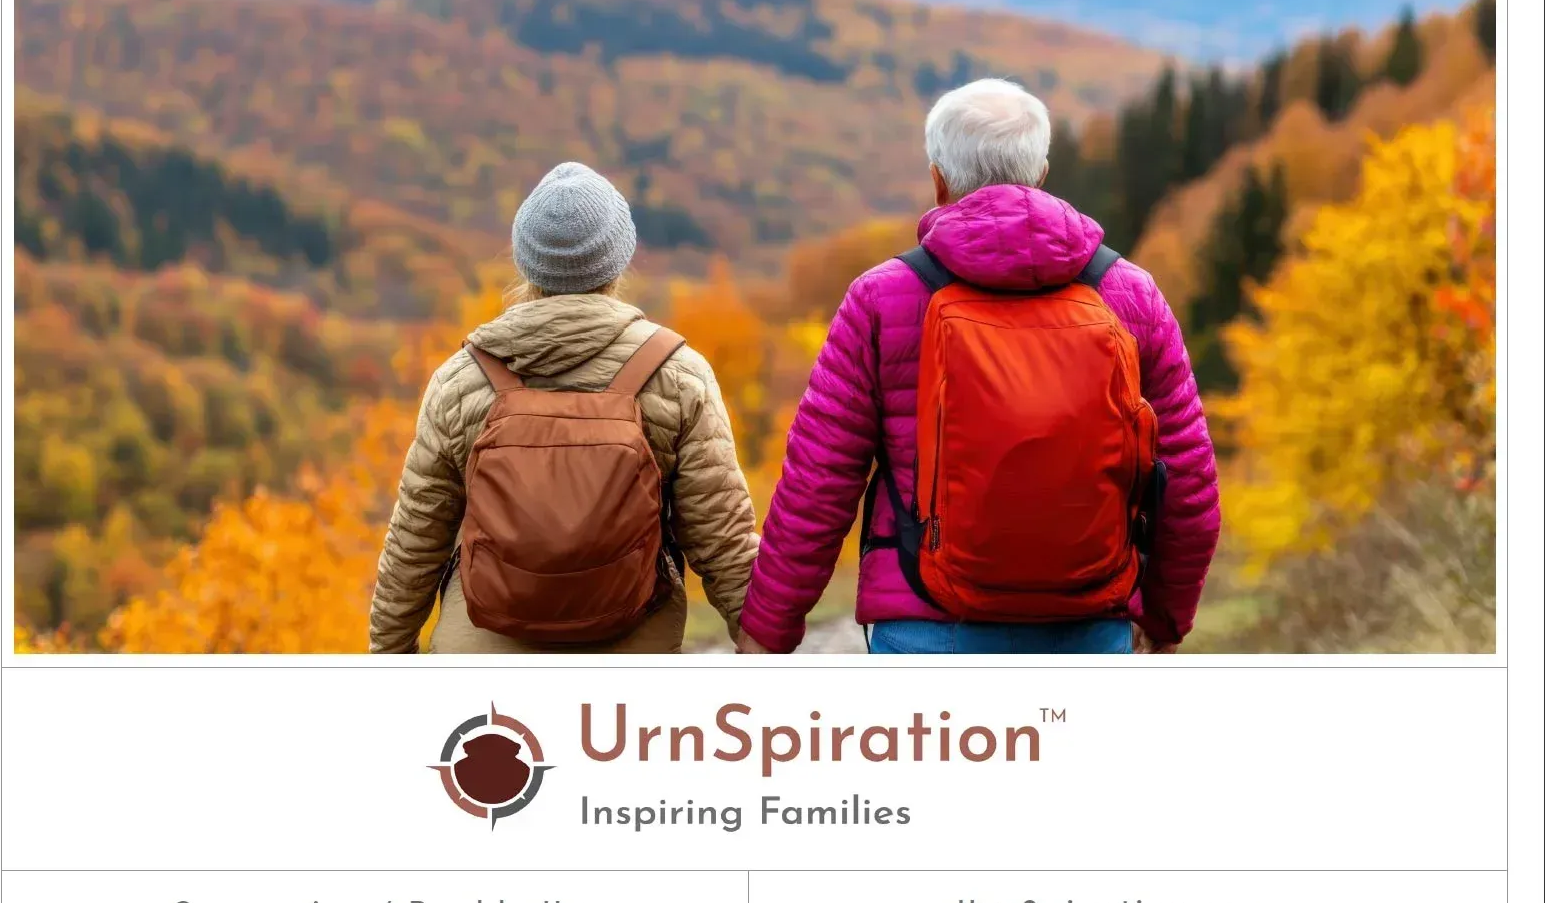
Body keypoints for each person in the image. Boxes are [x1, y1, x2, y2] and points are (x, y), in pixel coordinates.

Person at [737, 79, 1220, 655]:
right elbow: (1188, 486)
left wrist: (767, 633)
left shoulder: (882, 298)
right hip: (1090, 619)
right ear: (1041, 173)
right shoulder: (1129, 293)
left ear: (939, 179)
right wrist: (1165, 623)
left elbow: (819, 482)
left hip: (927, 619)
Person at [368, 162, 762, 654]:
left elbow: (415, 542)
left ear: (524, 261)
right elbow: (721, 533)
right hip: (632, 646)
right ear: (618, 258)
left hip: (484, 650)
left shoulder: (461, 381)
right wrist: (761, 644)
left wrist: (389, 655)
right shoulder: (676, 373)